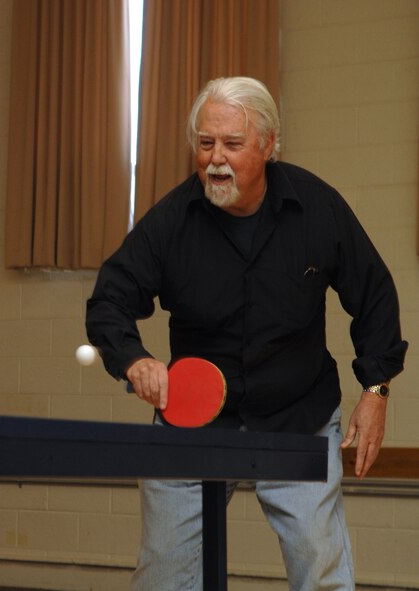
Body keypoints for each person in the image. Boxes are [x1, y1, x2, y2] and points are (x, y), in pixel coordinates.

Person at [85, 76, 408, 591]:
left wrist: (376, 390)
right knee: (163, 579)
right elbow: (109, 300)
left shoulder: (317, 208)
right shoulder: (171, 221)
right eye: (206, 143)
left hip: (297, 414)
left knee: (321, 572)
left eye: (233, 144)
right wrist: (133, 359)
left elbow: (374, 295)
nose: (216, 159)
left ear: (268, 145)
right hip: (191, 424)